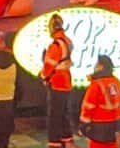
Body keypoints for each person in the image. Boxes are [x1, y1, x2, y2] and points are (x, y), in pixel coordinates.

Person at [41, 12, 74, 148]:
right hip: (66, 80)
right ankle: (66, 137)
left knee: (54, 114)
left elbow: (49, 65)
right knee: (64, 112)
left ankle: (54, 141)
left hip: (57, 82)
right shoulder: (67, 41)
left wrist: (44, 77)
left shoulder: (55, 45)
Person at [80, 54, 120, 145]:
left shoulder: (97, 84)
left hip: (99, 127)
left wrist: (83, 125)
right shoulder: (117, 81)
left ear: (101, 67)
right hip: (116, 124)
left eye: (96, 64)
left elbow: (88, 106)